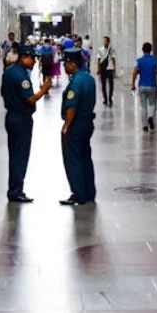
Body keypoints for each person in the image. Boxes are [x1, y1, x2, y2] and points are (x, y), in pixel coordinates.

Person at [1, 47, 51, 202]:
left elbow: (3, 92)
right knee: (20, 155)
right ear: (24, 58)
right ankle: (16, 191)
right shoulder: (21, 76)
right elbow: (29, 99)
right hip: (21, 119)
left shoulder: (9, 71)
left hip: (11, 116)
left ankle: (14, 189)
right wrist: (44, 90)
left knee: (15, 153)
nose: (35, 62)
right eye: (32, 59)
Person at [59, 50, 97, 206]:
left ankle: (78, 194)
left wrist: (66, 126)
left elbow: (72, 107)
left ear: (73, 65)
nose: (64, 66)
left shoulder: (75, 83)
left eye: (66, 64)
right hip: (88, 123)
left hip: (76, 125)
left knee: (73, 159)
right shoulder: (89, 78)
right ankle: (89, 192)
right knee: (85, 157)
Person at [130, 42, 157, 132]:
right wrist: (153, 71)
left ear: (142, 50)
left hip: (142, 86)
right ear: (150, 50)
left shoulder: (138, 61)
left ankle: (144, 126)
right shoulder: (155, 60)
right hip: (152, 85)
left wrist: (133, 84)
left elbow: (134, 72)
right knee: (152, 104)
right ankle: (150, 117)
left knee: (143, 106)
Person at [93, 36, 115, 106]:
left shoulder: (112, 49)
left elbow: (114, 59)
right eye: (104, 40)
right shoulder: (100, 49)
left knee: (111, 85)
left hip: (110, 68)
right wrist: (98, 69)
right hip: (103, 69)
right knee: (103, 85)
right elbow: (98, 60)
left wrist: (115, 68)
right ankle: (105, 99)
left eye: (106, 40)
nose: (104, 42)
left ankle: (110, 98)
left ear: (109, 42)